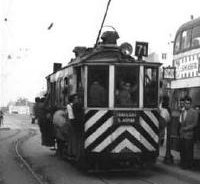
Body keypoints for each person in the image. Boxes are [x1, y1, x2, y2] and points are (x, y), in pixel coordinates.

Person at [179, 96, 198, 169]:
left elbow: (195, 124)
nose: (186, 105)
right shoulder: (183, 111)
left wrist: (186, 128)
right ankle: (183, 164)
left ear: (190, 104)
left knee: (188, 151)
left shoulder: (194, 112)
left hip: (189, 135)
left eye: (188, 103)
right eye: (185, 103)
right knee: (183, 150)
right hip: (182, 135)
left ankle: (188, 165)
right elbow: (181, 122)